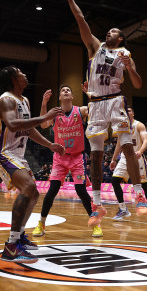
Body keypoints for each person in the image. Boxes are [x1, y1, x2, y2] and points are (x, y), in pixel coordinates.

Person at [65, 0, 147, 228]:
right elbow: (81, 19)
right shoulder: (95, 47)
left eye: (113, 31)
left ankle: (139, 193)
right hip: (95, 104)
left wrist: (130, 67)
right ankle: (97, 203)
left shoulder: (125, 54)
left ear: (120, 38)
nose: (108, 32)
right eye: (108, 31)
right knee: (95, 154)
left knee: (127, 146)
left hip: (115, 100)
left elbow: (138, 84)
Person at [0, 66, 64, 263]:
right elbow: (13, 125)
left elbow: (29, 130)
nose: (25, 74)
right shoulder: (6, 100)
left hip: (18, 154)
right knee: (28, 187)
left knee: (34, 193)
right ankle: (11, 246)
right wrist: (45, 118)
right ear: (14, 78)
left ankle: (20, 235)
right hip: (3, 152)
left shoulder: (25, 101)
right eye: (21, 72)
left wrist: (50, 145)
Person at [33, 86, 99, 238]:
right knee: (52, 190)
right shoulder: (55, 114)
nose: (66, 91)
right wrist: (44, 103)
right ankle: (41, 224)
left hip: (77, 157)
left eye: (69, 90)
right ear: (60, 98)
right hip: (60, 158)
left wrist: (89, 93)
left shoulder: (80, 111)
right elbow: (43, 124)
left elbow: (95, 110)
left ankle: (95, 224)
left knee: (81, 191)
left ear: (72, 96)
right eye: (62, 91)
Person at [110, 107, 147, 223]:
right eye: (125, 111)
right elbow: (118, 144)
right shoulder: (121, 126)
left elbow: (145, 140)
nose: (127, 112)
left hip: (137, 157)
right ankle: (123, 209)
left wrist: (140, 151)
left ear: (133, 113)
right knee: (114, 181)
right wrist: (113, 159)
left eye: (130, 110)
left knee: (145, 186)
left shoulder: (139, 125)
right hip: (124, 158)